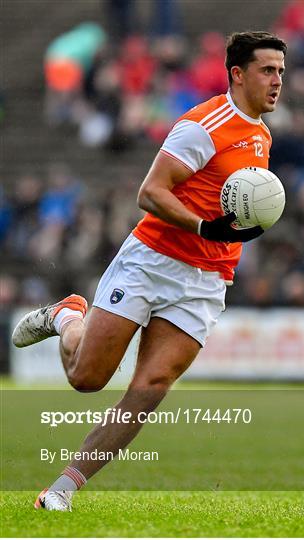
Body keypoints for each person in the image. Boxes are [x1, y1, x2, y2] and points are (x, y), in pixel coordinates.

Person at [12, 31, 286, 511]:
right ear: (237, 74)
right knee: (87, 379)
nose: (277, 80)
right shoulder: (203, 125)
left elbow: (234, 209)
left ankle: (63, 489)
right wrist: (206, 226)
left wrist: (235, 230)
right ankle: (67, 316)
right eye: (267, 70)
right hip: (152, 260)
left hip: (205, 281)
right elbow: (151, 192)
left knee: (151, 387)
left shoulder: (262, 135)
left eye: (281, 71)